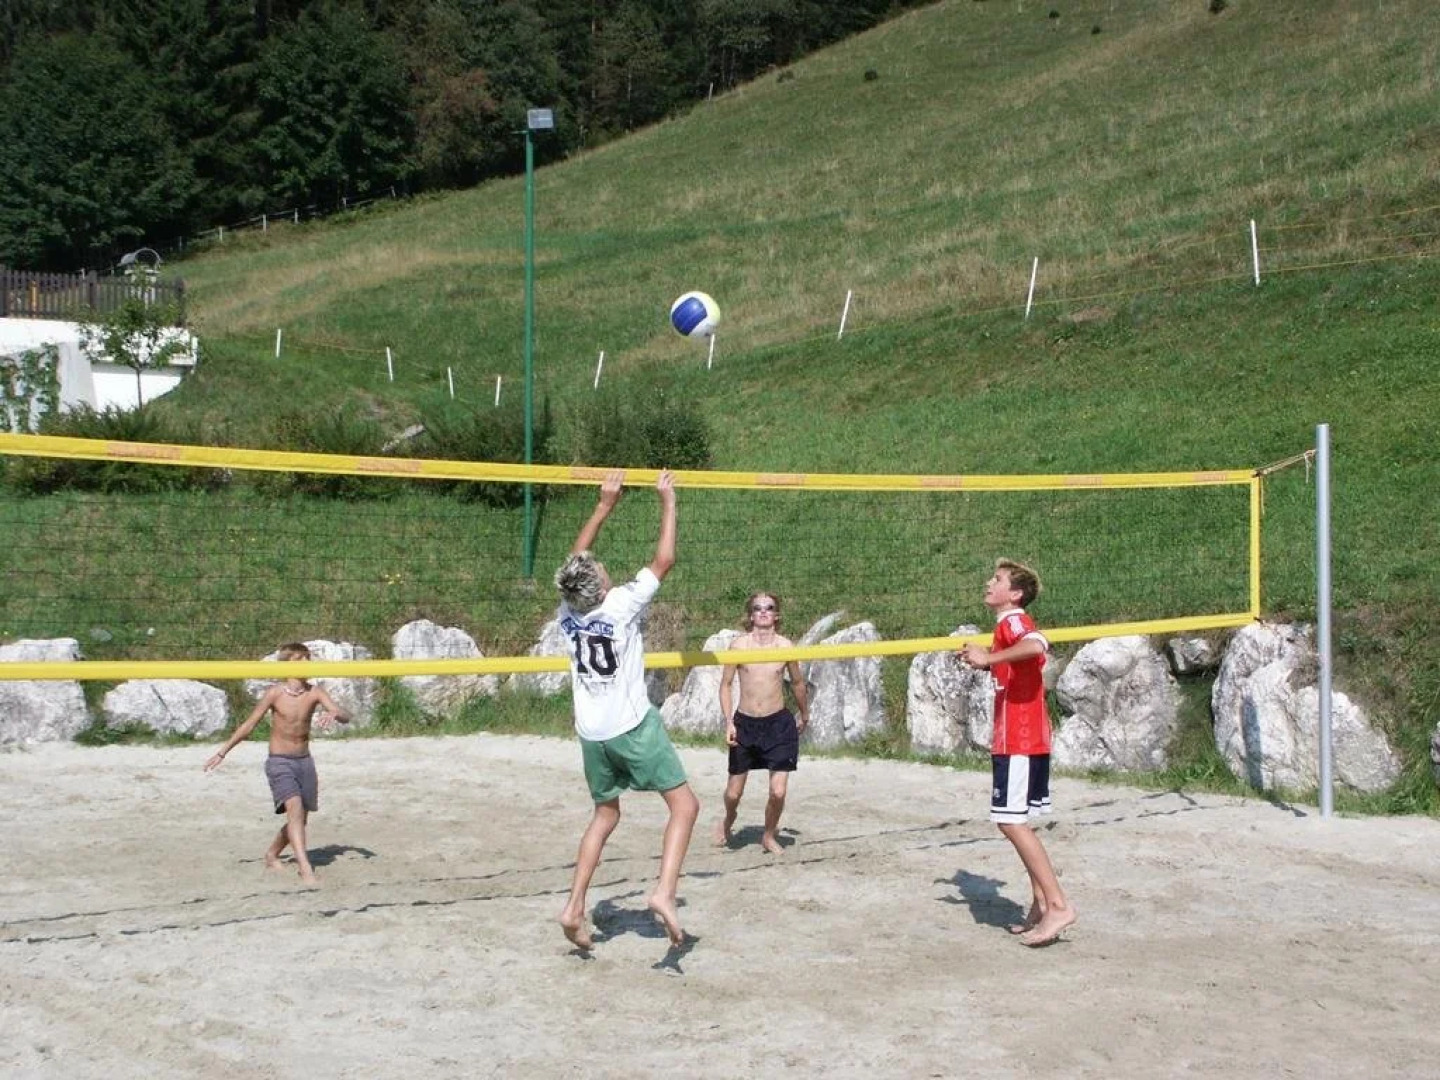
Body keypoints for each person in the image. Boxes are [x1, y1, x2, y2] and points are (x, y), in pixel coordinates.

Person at [554, 470, 699, 950]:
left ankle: (574, 907)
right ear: (599, 584)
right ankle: (664, 892)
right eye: (597, 568)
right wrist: (668, 501)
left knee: (605, 815)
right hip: (632, 726)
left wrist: (603, 506)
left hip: (591, 733)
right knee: (685, 805)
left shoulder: (567, 613)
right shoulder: (618, 606)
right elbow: (666, 559)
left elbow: (573, 563)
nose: (599, 566)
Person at [959, 559, 1077, 947]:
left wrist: (989, 658)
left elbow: (1037, 642)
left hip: (1019, 739)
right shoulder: (1005, 626)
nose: (988, 583)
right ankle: (1041, 904)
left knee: (1010, 822)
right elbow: (1023, 659)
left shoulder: (1013, 621)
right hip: (1028, 736)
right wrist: (987, 664)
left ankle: (1058, 905)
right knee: (1017, 820)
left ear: (1016, 593)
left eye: (998, 580)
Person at [204, 642, 350, 886]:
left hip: (304, 762)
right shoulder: (275, 693)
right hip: (279, 762)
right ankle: (305, 869)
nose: (307, 663)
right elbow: (249, 725)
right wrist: (222, 752)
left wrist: (335, 713)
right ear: (288, 664)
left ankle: (272, 854)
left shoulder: (315, 692)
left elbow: (345, 716)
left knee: (300, 819)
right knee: (293, 809)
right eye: (301, 659)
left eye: (308, 659)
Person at [713, 592, 809, 854]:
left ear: (777, 615)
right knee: (733, 794)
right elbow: (726, 684)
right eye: (758, 608)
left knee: (777, 792)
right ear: (751, 615)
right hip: (745, 724)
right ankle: (729, 818)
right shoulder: (738, 646)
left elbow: (798, 683)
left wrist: (805, 713)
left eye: (769, 608)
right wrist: (728, 721)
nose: (764, 612)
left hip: (778, 724)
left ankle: (768, 835)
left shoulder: (786, 647)